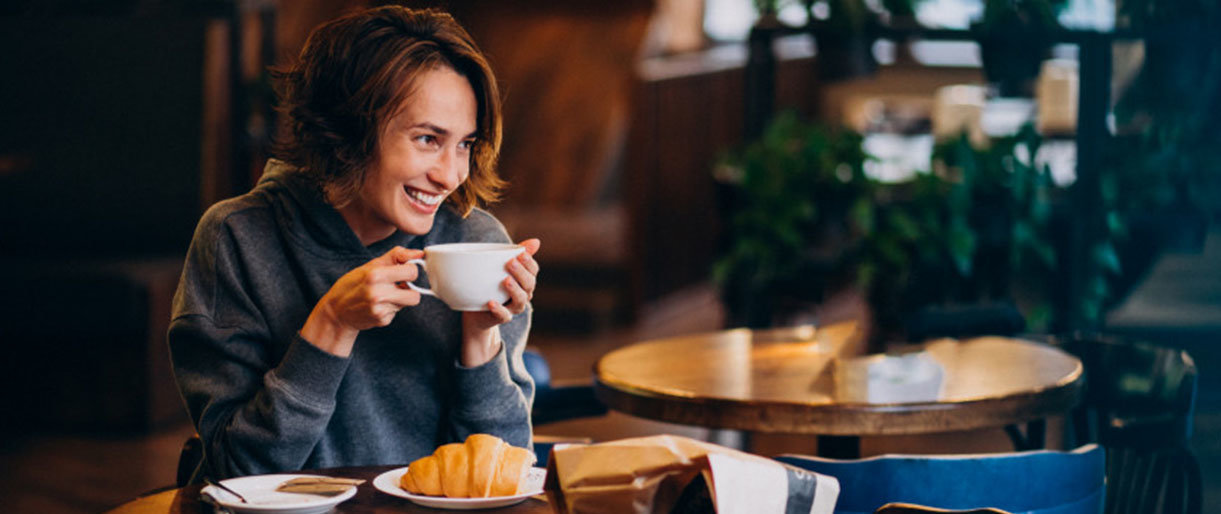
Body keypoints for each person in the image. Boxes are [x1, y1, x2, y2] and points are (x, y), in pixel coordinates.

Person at [168, 6, 539, 481]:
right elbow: (236, 472)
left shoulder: (476, 242)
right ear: (345, 134)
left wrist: (480, 338)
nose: (451, 175)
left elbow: (504, 474)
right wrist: (331, 325)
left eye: (465, 144)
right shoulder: (238, 239)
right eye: (428, 139)